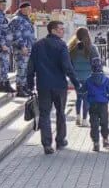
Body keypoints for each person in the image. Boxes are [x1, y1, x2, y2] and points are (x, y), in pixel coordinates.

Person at [25, 20, 79, 155]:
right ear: (53, 30)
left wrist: (30, 84)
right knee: (61, 112)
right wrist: (76, 83)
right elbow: (67, 67)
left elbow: (30, 67)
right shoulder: (61, 46)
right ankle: (60, 140)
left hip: (43, 85)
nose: (63, 31)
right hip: (59, 85)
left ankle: (47, 145)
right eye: (60, 29)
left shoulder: (37, 45)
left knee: (44, 114)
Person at [80, 57, 109, 152]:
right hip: (103, 104)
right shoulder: (106, 80)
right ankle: (105, 139)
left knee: (94, 124)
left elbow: (82, 90)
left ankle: (96, 142)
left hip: (93, 104)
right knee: (104, 122)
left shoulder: (88, 80)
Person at [67, 27, 98, 127]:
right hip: (88, 77)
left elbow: (69, 64)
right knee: (86, 99)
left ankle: (77, 116)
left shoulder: (71, 48)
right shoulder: (91, 48)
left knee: (78, 97)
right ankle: (85, 119)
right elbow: (96, 63)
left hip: (76, 77)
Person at [11, 2, 37, 97]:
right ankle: (20, 89)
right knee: (21, 69)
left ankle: (25, 87)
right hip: (21, 49)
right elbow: (16, 35)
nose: (30, 11)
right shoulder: (17, 20)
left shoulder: (25, 19)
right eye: (28, 9)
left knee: (26, 70)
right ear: (23, 9)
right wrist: (22, 46)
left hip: (28, 48)